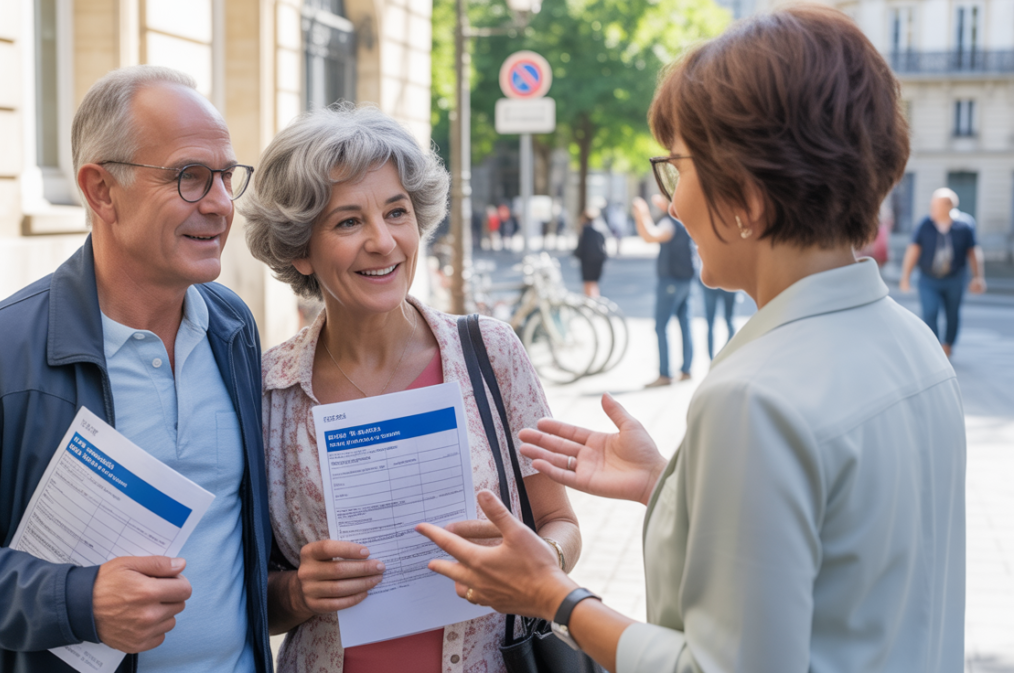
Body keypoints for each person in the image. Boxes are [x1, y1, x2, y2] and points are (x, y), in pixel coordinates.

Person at [418, 7, 965, 673]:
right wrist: (670, 486)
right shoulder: (912, 344)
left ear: (748, 197)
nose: (673, 203)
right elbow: (847, 575)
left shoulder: (755, 398)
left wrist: (554, 596)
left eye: (677, 167)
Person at [0, 66, 273, 673]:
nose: (219, 204)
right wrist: (77, 601)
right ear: (100, 190)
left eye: (226, 177)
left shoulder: (232, 325)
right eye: (190, 177)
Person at [238, 105, 581, 673]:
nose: (383, 242)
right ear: (301, 248)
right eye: (348, 222)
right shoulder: (270, 392)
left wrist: (540, 561)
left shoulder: (490, 353)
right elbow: (248, 594)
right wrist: (298, 592)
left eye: (396, 213)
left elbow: (560, 523)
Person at [900, 187, 986, 357]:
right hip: (929, 278)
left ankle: (948, 345)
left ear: (948, 206)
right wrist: (905, 277)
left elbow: (973, 252)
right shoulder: (925, 224)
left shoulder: (965, 225)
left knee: (952, 313)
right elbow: (913, 251)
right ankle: (934, 348)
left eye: (936, 205)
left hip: (954, 278)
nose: (932, 209)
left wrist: (978, 277)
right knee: (930, 312)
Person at [632, 193, 694, 387]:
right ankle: (686, 369)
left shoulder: (669, 223)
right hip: (685, 279)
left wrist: (641, 214)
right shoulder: (683, 219)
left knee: (661, 326)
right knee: (685, 324)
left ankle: (665, 374)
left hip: (670, 281)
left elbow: (650, 236)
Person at [575, 207, 608, 297]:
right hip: (599, 259)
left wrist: (576, 254)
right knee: (594, 283)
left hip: (587, 260)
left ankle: (590, 302)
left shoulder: (586, 229)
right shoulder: (601, 227)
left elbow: (582, 246)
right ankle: (595, 300)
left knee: (588, 283)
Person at [700, 284, 736, 358]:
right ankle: (727, 354)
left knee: (711, 322)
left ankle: (713, 359)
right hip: (728, 283)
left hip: (712, 284)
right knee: (729, 320)